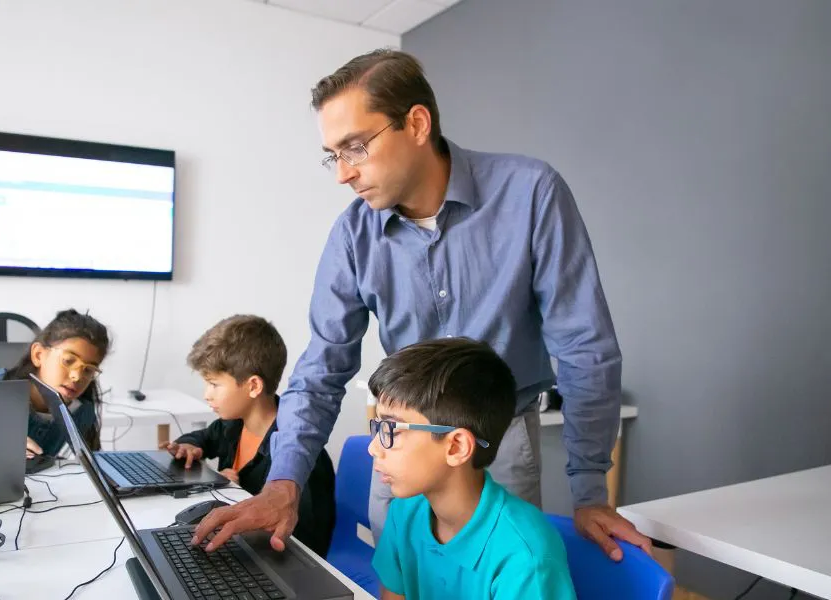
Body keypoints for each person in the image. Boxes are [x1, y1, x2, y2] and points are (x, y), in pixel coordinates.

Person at [193, 48, 650, 562]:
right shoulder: (353, 234)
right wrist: (284, 482)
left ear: (415, 123)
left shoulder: (530, 193)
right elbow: (322, 367)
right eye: (333, 155)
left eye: (355, 147)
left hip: (494, 448)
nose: (342, 174)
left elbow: (584, 346)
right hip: (399, 447)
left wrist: (590, 489)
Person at [369, 338, 575, 599]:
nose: (373, 448)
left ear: (456, 447)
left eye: (391, 430)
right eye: (377, 427)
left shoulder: (526, 558)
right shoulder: (404, 513)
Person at [164, 315, 336, 557]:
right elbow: (202, 438)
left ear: (253, 386)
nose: (207, 395)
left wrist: (229, 491)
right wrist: (189, 445)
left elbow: (304, 545)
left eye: (214, 384)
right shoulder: (231, 425)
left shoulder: (306, 463)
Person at [0, 308, 110, 458]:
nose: (77, 376)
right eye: (68, 360)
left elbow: (92, 467)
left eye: (88, 370)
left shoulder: (81, 410)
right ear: (38, 355)